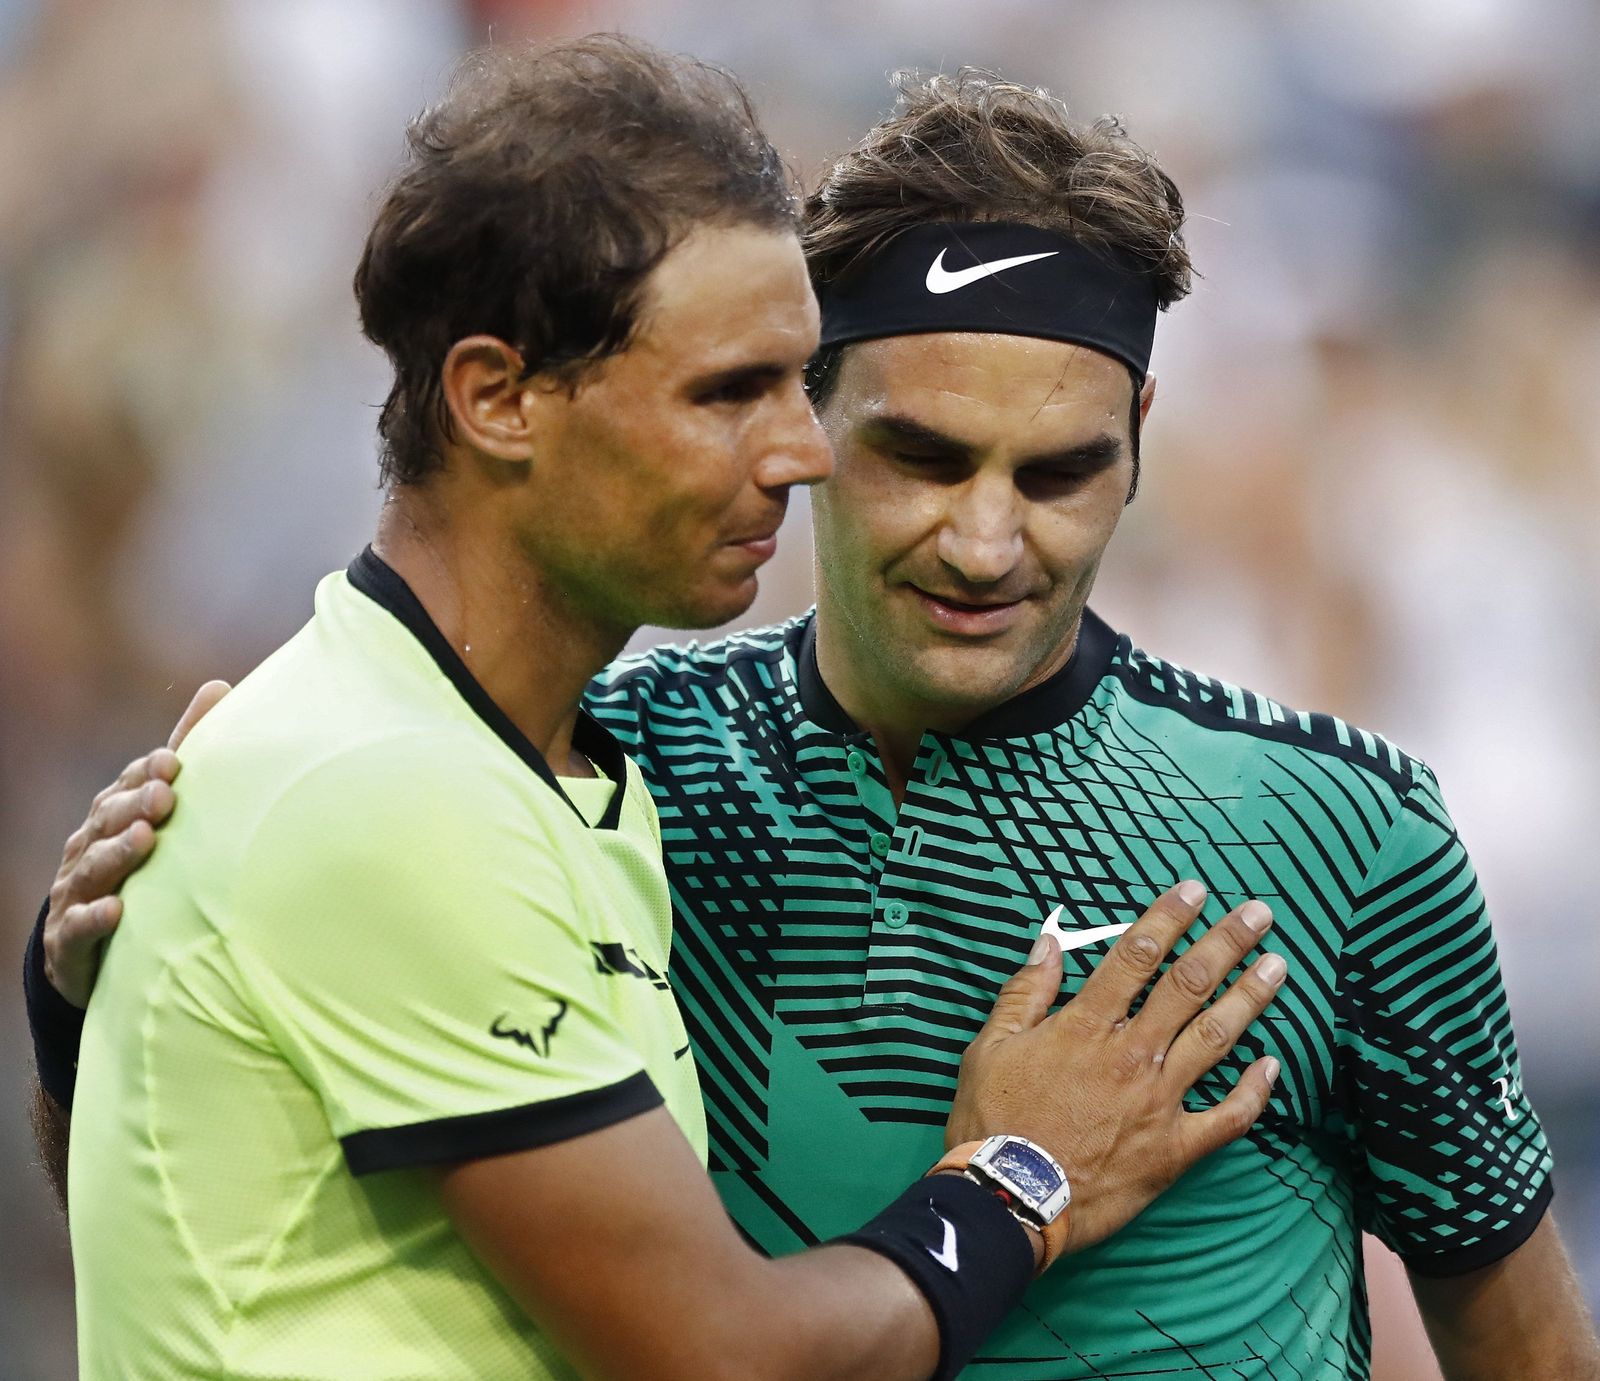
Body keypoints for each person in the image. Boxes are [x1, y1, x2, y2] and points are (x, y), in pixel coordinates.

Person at [30, 61, 1597, 1381]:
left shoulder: (1344, 833)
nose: (988, 542)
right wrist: (128, 978)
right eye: (918, 454)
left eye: (1058, 472)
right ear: (818, 414)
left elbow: (1525, 1346)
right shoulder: (606, 760)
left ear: (1140, 438)